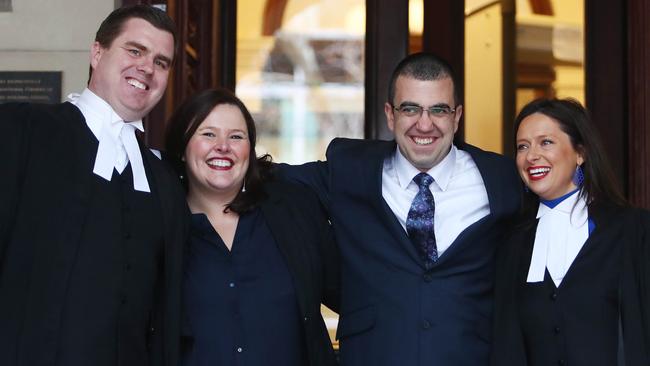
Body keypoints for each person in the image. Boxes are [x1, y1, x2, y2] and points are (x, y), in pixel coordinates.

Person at [279, 52, 522, 365]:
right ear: (390, 115)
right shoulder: (351, 170)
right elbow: (270, 180)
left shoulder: (502, 179)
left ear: (456, 117)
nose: (424, 124)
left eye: (439, 110)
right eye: (410, 109)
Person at [0, 5, 187, 366]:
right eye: (135, 50)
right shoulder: (22, 132)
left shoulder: (164, 181)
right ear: (97, 52)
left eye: (161, 62)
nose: (147, 67)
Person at [164, 88, 339, 366]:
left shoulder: (294, 213)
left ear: (250, 151)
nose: (223, 146)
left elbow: (353, 296)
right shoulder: (160, 228)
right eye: (208, 134)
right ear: (182, 149)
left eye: (236, 136)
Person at [491, 98, 650, 366]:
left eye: (546, 142)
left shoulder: (634, 231)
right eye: (522, 146)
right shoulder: (511, 243)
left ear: (580, 153)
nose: (531, 156)